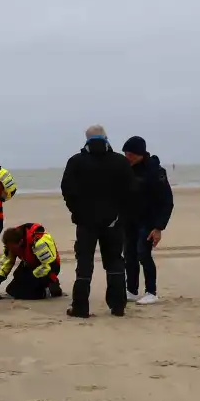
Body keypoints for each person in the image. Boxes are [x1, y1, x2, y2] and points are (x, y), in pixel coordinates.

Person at [60, 125, 134, 318]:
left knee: (84, 263)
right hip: (113, 221)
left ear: (86, 140)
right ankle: (118, 306)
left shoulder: (76, 162)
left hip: (87, 222)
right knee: (115, 262)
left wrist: (77, 211)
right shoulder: (120, 161)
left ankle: (80, 307)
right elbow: (130, 191)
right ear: (106, 138)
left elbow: (67, 190)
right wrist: (120, 214)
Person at [120, 136, 174, 305]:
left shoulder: (156, 172)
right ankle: (132, 290)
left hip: (149, 222)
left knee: (143, 253)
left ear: (140, 154)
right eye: (126, 154)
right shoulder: (126, 169)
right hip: (129, 220)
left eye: (130, 154)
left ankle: (151, 291)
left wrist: (159, 227)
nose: (127, 157)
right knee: (129, 254)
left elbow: (167, 201)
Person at [0, 223, 62, 300]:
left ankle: (50, 288)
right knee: (11, 290)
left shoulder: (39, 242)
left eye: (13, 248)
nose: (11, 250)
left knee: (26, 294)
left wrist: (32, 279)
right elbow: (7, 262)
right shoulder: (11, 242)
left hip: (49, 269)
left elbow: (49, 266)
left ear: (20, 242)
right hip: (31, 264)